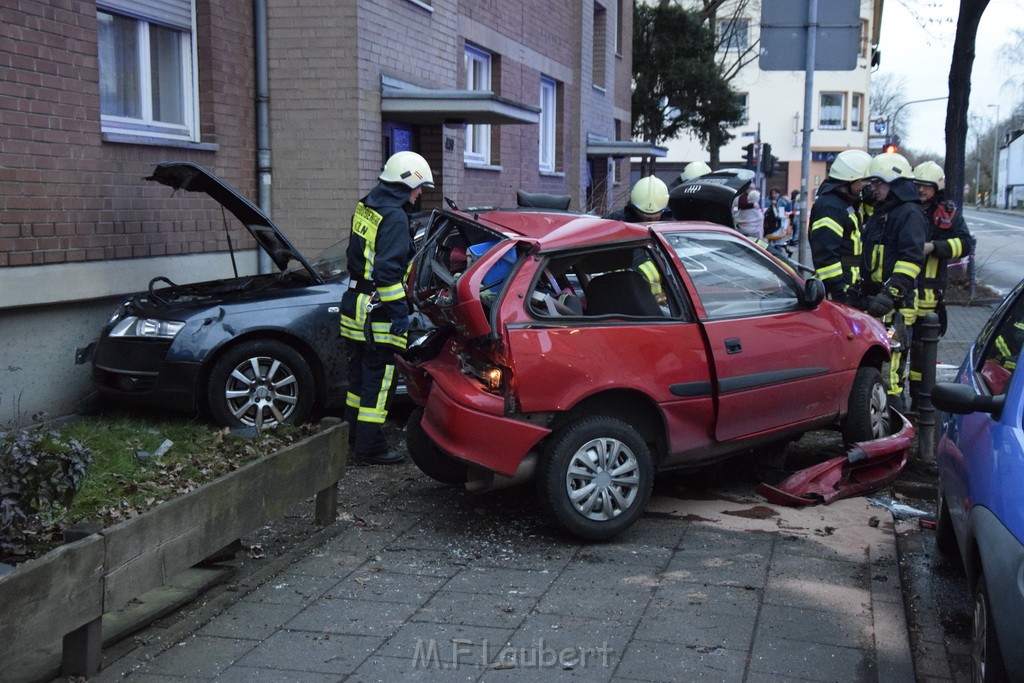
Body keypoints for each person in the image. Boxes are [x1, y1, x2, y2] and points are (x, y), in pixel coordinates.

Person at [339, 151, 434, 464]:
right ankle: (371, 448)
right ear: (405, 182)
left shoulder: (367, 205)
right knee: (379, 383)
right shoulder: (394, 217)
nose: (419, 194)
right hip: (378, 313)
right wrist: (399, 313)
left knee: (358, 380)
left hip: (355, 304)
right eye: (418, 186)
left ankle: (351, 436)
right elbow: (386, 273)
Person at [857, 152, 928, 412]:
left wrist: (890, 294)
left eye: (878, 183)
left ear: (895, 183)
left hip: (897, 305)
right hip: (878, 300)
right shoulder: (882, 213)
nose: (873, 189)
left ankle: (896, 425)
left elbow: (910, 259)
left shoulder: (909, 214)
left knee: (892, 373)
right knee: (878, 366)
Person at [907, 160, 973, 409]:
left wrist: (935, 247)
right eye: (918, 185)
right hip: (903, 291)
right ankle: (896, 402)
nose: (921, 190)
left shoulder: (947, 213)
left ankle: (919, 402)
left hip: (930, 295)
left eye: (926, 186)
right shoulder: (906, 208)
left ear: (937, 188)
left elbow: (965, 244)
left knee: (923, 353)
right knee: (898, 347)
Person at [808, 150, 872, 305]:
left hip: (851, 286)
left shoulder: (846, 204)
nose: (867, 185)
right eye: (864, 181)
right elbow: (826, 256)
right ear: (850, 180)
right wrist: (839, 290)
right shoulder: (830, 207)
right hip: (839, 291)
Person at [604, 175, 671, 222]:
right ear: (635, 210)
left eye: (655, 218)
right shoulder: (617, 220)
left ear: (663, 211)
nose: (649, 222)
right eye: (645, 218)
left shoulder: (672, 225)